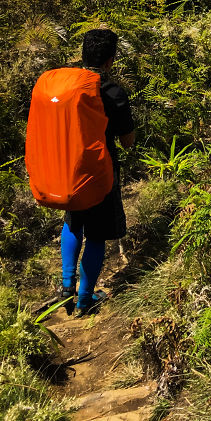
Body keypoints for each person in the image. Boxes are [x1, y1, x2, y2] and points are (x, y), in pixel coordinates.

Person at [60, 27, 135, 315]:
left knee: (73, 222)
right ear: (110, 61)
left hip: (69, 167)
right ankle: (84, 298)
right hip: (101, 173)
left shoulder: (68, 87)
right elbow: (127, 141)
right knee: (97, 234)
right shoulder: (112, 92)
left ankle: (66, 285)